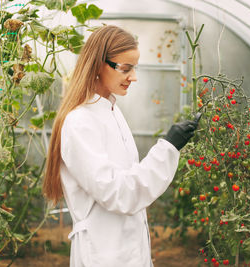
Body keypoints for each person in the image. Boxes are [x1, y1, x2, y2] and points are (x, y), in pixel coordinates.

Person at [43, 25, 199, 267]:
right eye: (125, 68)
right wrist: (168, 148)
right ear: (97, 65)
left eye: (134, 68)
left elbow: (129, 183)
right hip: (104, 254)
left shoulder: (111, 110)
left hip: (124, 250)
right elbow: (120, 194)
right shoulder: (80, 122)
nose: (133, 77)